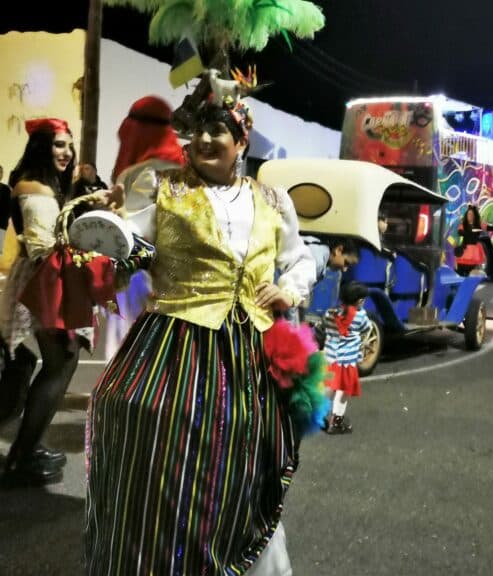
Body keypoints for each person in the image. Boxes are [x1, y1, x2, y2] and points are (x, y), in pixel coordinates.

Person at [85, 78, 319, 575]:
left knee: (241, 463)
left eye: (220, 130)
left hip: (249, 354)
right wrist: (107, 223)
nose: (207, 140)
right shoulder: (165, 192)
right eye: (199, 131)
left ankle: (234, 557)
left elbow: (300, 259)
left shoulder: (274, 201)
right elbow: (134, 245)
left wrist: (289, 289)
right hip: (175, 347)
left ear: (242, 141)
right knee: (168, 459)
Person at [0, 118, 103, 486]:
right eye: (59, 144)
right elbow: (45, 246)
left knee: (58, 360)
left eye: (69, 145)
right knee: (61, 361)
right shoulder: (36, 189)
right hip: (44, 281)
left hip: (45, 278)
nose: (67, 152)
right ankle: (23, 454)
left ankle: (27, 447)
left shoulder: (41, 184)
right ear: (41, 145)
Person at [102, 95, 185, 359]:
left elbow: (135, 231)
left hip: (138, 274)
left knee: (127, 352)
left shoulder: (142, 174)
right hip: (178, 276)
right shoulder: (186, 170)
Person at [323, 281, 371, 434]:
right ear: (360, 301)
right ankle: (336, 423)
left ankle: (320, 417)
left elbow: (323, 326)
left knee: (328, 390)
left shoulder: (330, 312)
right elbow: (367, 328)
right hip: (346, 362)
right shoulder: (360, 316)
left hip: (329, 358)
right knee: (342, 393)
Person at [455, 204, 493, 275]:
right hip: (465, 250)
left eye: (471, 214)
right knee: (461, 271)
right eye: (468, 214)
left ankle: (468, 282)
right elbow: (460, 232)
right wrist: (467, 232)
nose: (469, 216)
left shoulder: (479, 224)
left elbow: (489, 228)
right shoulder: (464, 224)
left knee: (471, 272)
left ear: (474, 216)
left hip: (474, 251)